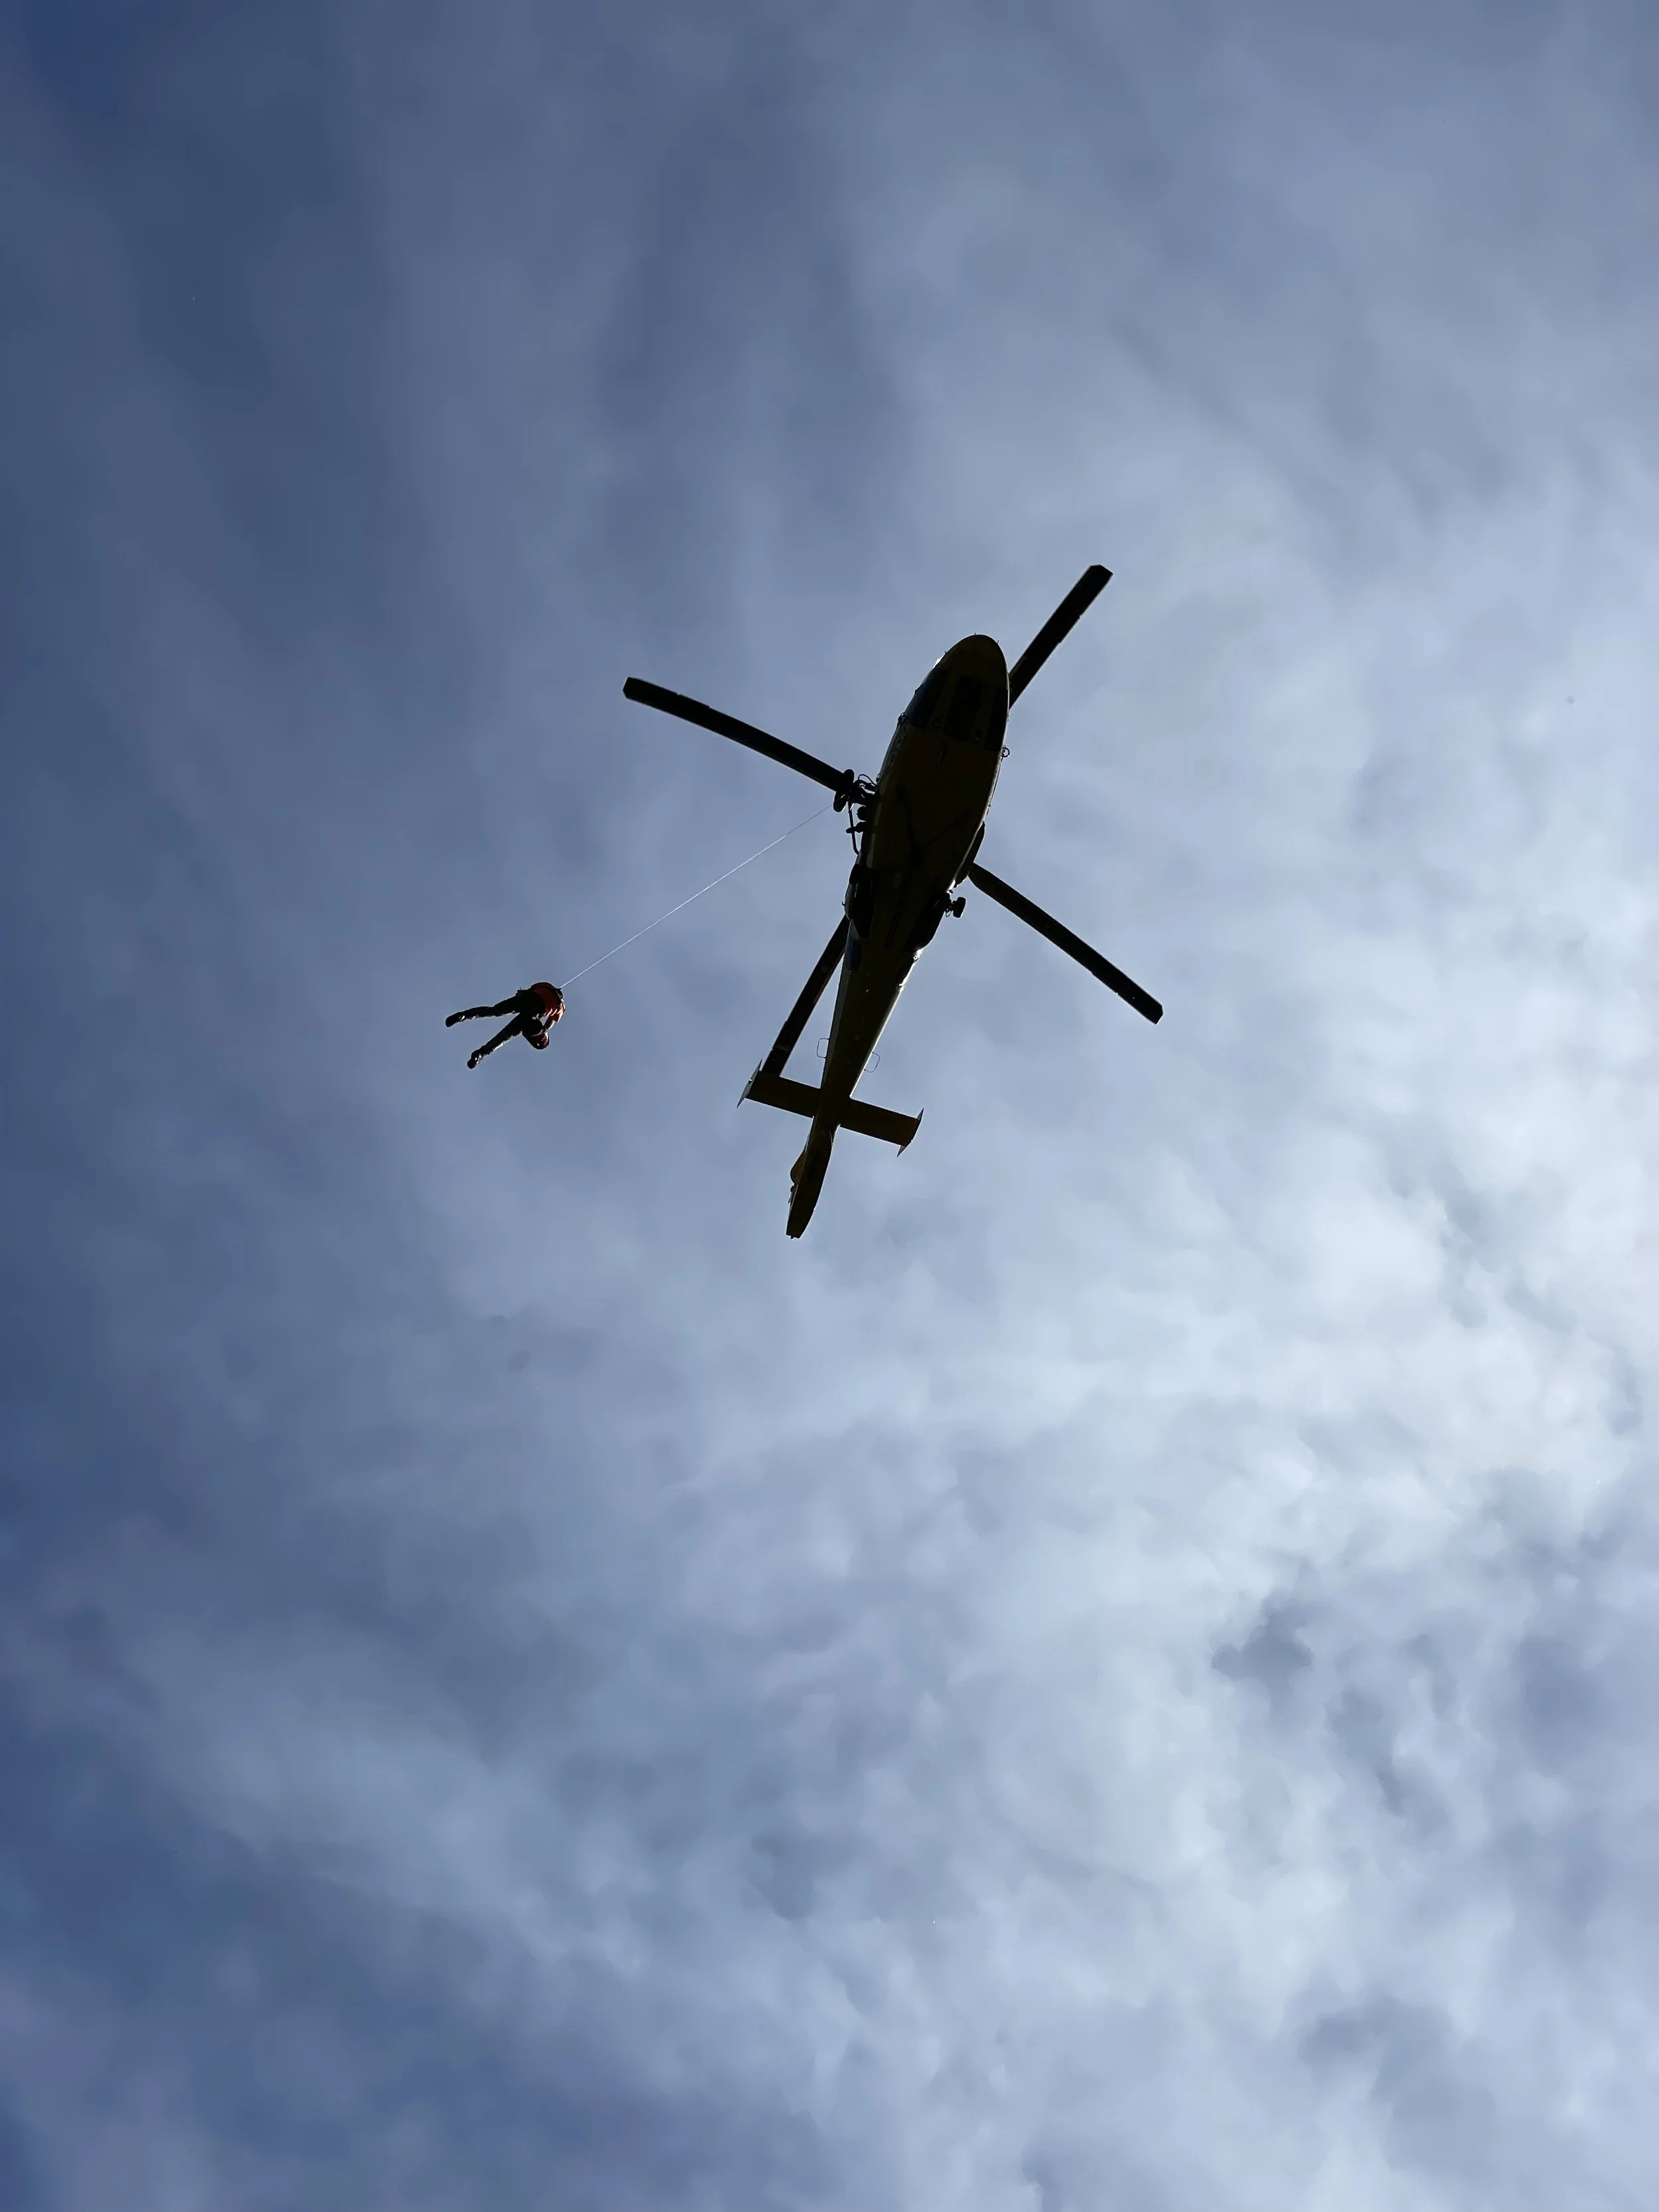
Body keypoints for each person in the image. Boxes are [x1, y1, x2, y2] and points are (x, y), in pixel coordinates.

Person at [445, 982, 564, 1067]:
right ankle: (480, 1054)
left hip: (525, 998)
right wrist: (543, 1030)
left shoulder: (546, 985)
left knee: (494, 1011)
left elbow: (532, 989)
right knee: (506, 1035)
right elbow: (551, 1022)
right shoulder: (561, 1006)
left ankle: (463, 1016)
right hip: (534, 1010)